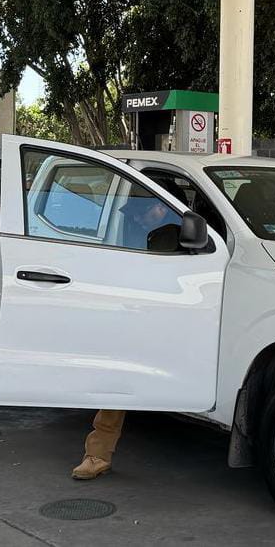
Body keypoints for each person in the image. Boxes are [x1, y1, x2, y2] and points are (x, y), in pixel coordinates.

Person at [72, 182, 188, 480]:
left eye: (141, 212)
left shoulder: (182, 236)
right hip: (134, 314)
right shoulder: (136, 231)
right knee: (116, 382)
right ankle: (97, 453)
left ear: (163, 207)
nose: (135, 218)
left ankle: (98, 453)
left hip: (172, 318)